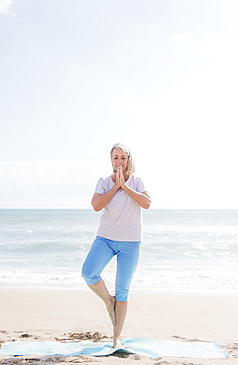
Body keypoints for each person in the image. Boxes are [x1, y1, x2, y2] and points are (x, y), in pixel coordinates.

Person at [82, 142, 151, 348]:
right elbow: (96, 206)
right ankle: (107, 301)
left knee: (123, 291)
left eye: (123, 157)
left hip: (131, 242)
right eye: (115, 158)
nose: (119, 161)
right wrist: (115, 187)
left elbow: (146, 204)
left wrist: (125, 186)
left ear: (128, 159)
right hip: (106, 238)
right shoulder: (103, 181)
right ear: (111, 160)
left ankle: (116, 339)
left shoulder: (137, 181)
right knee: (88, 272)